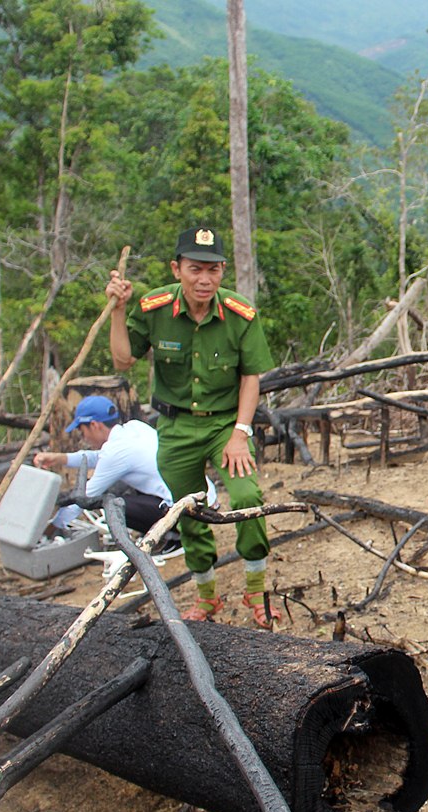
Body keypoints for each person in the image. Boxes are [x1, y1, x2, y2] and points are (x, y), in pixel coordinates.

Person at [107, 226, 281, 626]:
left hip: (225, 425)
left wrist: (241, 432)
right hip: (176, 427)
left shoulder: (239, 314)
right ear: (177, 268)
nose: (204, 280)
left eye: (214, 270)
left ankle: (257, 592)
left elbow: (251, 377)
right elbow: (122, 360)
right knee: (188, 509)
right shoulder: (153, 308)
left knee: (247, 496)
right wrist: (118, 310)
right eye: (195, 269)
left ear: (223, 271)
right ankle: (207, 597)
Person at [34, 395, 176, 537]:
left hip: (174, 511)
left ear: (95, 425)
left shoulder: (116, 451)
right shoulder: (134, 427)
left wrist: (50, 529)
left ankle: (170, 537)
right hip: (179, 496)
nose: (84, 438)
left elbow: (83, 498)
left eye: (82, 432)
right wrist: (61, 459)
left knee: (112, 505)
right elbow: (99, 456)